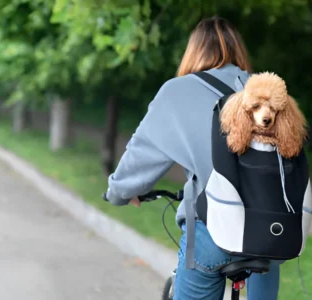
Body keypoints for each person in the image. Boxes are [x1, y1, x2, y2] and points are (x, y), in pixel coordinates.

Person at [104, 16, 281, 300]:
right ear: (239, 51)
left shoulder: (177, 92)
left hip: (213, 231)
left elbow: (141, 156)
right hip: (271, 233)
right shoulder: (266, 93)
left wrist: (119, 192)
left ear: (193, 51)